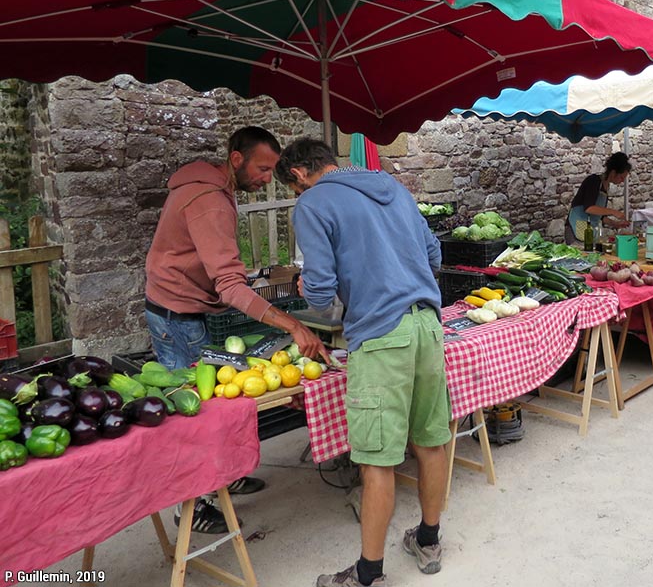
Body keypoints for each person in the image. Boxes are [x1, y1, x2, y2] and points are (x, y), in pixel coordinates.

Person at [275, 138, 451, 587]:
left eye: (295, 188)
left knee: (378, 461)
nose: (299, 196)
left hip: (381, 335)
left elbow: (319, 288)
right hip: (429, 326)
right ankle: (428, 539)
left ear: (298, 174)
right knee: (431, 441)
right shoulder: (391, 185)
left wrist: (305, 288)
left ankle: (367, 575)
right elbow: (434, 254)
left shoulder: (313, 203)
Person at [145, 126, 327, 534]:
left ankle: (223, 477)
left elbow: (216, 266)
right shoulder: (210, 199)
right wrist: (292, 325)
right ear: (236, 158)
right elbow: (228, 285)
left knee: (215, 407)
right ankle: (194, 506)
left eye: (273, 170)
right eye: (263, 168)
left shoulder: (211, 187)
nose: (267, 179)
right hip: (176, 313)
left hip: (184, 303)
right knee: (196, 412)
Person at [565, 151, 631, 244]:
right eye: (621, 177)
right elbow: (589, 208)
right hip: (576, 229)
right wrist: (613, 212)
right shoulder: (593, 181)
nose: (622, 181)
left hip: (589, 231)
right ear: (613, 172)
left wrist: (615, 224)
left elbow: (600, 217)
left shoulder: (606, 187)